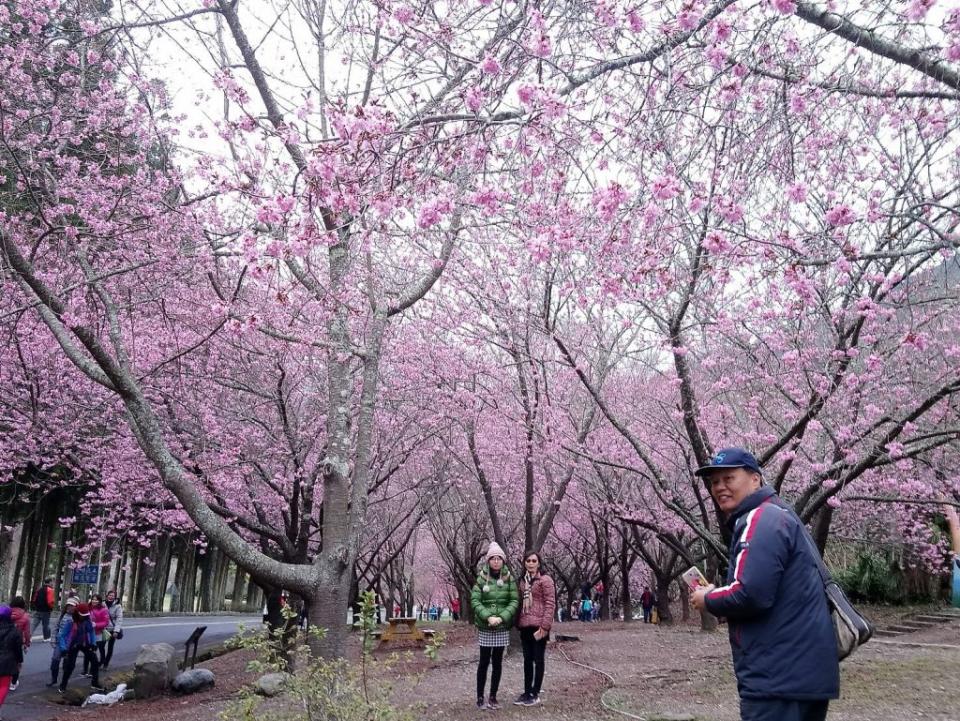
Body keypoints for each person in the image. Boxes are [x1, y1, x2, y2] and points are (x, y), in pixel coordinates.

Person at [690, 448, 838, 721]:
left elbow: (750, 593)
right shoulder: (780, 515)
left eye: (729, 478)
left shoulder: (760, 518)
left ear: (755, 479)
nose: (719, 487)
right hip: (801, 674)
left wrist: (708, 598)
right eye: (714, 482)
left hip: (777, 677)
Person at [471, 541, 518, 711]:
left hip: (501, 627)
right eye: (493, 558)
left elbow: (513, 600)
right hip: (485, 626)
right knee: (483, 662)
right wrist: (488, 617)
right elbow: (475, 600)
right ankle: (480, 697)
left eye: (499, 558)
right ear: (488, 561)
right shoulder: (481, 578)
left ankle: (493, 696)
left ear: (503, 561)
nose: (496, 561)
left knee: (497, 663)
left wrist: (502, 617)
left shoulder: (509, 579)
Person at [514, 550, 555, 707]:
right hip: (525, 625)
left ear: (539, 563)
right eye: (528, 561)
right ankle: (526, 691)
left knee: (538, 659)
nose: (531, 563)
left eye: (534, 561)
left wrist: (545, 626)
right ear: (524, 563)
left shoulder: (545, 580)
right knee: (527, 660)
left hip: (539, 626)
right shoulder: (522, 581)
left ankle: (535, 692)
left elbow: (550, 604)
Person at [57, 602, 104, 693]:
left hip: (84, 643)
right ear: (77, 613)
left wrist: (93, 643)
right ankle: (63, 685)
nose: (84, 617)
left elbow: (91, 632)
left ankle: (95, 683)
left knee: (94, 661)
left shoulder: (87, 620)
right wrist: (63, 649)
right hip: (72, 645)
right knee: (70, 666)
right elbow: (62, 636)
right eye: (82, 615)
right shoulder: (70, 622)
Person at [48, 597, 79, 688]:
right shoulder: (62, 615)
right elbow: (55, 628)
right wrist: (53, 639)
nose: (70, 607)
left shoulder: (77, 618)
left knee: (67, 663)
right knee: (55, 660)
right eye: (68, 605)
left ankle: (64, 681)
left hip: (71, 644)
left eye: (72, 606)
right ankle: (54, 679)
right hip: (59, 642)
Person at [0, 605, 24, 719]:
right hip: (7, 662)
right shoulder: (15, 631)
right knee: (3, 686)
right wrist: (19, 661)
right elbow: (18, 649)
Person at [83, 595, 110, 676]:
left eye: (96, 600)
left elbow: (106, 622)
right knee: (87, 652)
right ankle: (85, 670)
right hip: (87, 633)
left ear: (99, 601)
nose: (94, 601)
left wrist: (96, 624)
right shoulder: (88, 608)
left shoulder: (103, 610)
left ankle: (92, 670)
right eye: (93, 599)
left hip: (97, 634)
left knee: (93, 652)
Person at [7, 598, 29, 692]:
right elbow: (27, 632)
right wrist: (26, 644)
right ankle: (13, 683)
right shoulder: (25, 616)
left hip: (5, 640)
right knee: (17, 663)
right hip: (18, 642)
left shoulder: (6, 614)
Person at [102, 589, 124, 670]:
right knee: (101, 646)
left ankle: (106, 664)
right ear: (107, 596)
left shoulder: (118, 606)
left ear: (115, 597)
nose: (111, 597)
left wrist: (116, 631)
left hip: (112, 629)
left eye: (113, 596)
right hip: (103, 629)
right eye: (110, 595)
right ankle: (102, 660)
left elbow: (119, 619)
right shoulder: (102, 604)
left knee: (110, 647)